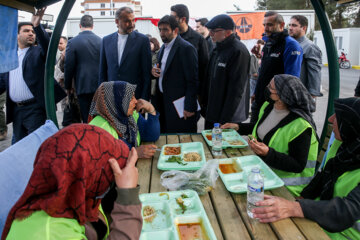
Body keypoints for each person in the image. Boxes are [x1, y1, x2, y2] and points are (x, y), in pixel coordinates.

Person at [1, 124, 142, 240]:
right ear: (87, 173)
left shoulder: (73, 192)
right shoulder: (50, 233)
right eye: (110, 174)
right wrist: (128, 195)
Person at [251, 97, 360, 240]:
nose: (330, 120)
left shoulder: (302, 126)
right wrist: (296, 202)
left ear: (352, 125)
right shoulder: (347, 146)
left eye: (338, 117)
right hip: (318, 218)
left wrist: (294, 207)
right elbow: (321, 177)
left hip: (341, 234)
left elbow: (346, 210)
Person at [222, 74, 318, 197]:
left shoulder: (301, 126)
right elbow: (262, 128)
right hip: (263, 172)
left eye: (271, 87)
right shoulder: (269, 107)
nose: (267, 88)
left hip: (285, 186)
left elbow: (297, 165)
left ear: (282, 94)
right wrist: (238, 127)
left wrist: (268, 153)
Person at [0, 8, 66, 143]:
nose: (31, 34)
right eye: (26, 31)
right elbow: (3, 82)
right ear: (16, 35)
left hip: (35, 109)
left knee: (36, 146)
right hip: (17, 111)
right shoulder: (9, 57)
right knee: (19, 147)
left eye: (32, 32)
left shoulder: (37, 52)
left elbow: (49, 48)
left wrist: (37, 25)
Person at [251, 11, 303, 124]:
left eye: (270, 25)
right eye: (264, 25)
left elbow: (292, 80)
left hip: (275, 104)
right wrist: (256, 92)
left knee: (267, 140)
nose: (266, 28)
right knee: (253, 135)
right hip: (260, 99)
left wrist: (282, 104)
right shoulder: (269, 42)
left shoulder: (291, 45)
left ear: (282, 25)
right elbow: (264, 71)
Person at [151, 15, 198, 133]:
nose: (162, 33)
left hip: (180, 106)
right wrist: (153, 72)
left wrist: (189, 106)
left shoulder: (186, 48)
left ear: (175, 30)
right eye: (160, 29)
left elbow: (193, 80)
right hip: (163, 104)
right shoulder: (163, 48)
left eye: (165, 29)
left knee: (181, 140)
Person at [89, 81, 160, 159]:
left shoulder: (130, 115)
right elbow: (100, 161)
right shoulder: (98, 128)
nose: (136, 101)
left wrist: (151, 110)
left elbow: (151, 136)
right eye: (130, 98)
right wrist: (132, 154)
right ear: (116, 102)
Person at [202, 14, 250, 129]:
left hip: (227, 117)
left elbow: (236, 89)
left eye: (214, 31)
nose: (211, 34)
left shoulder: (238, 51)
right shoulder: (217, 49)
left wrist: (225, 119)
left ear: (228, 32)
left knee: (222, 146)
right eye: (210, 30)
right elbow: (209, 78)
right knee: (209, 143)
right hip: (212, 112)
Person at [99, 7, 152, 100]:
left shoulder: (142, 41)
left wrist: (144, 99)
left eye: (133, 20)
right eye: (127, 21)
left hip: (134, 98)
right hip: (111, 97)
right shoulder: (106, 41)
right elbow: (102, 71)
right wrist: (102, 96)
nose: (132, 24)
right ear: (117, 21)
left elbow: (146, 74)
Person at [64, 15, 101, 123]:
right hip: (100, 86)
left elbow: (68, 66)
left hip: (82, 86)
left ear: (80, 26)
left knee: (86, 118)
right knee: (99, 117)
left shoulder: (72, 42)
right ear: (92, 26)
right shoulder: (101, 41)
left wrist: (68, 86)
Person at [170, 4, 209, 103]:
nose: (170, 20)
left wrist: (200, 93)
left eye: (173, 17)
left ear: (182, 19)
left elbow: (204, 68)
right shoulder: (170, 37)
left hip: (190, 92)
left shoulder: (198, 39)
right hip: (172, 91)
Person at [289, 15, 322, 99]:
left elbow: (314, 72)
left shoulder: (309, 46)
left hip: (301, 94)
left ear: (303, 28)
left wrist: (312, 94)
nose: (290, 28)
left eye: (294, 25)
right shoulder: (289, 45)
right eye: (289, 25)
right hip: (288, 92)